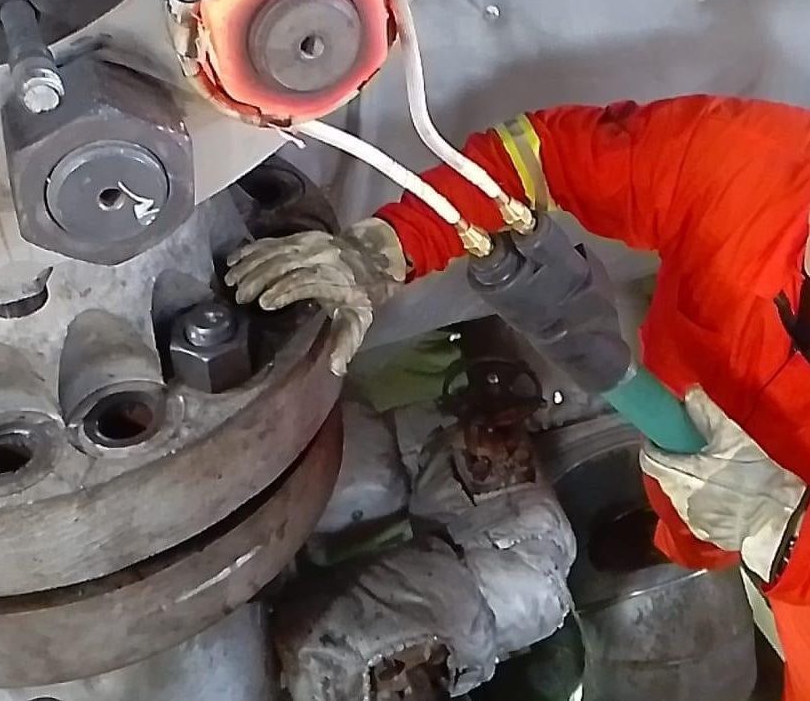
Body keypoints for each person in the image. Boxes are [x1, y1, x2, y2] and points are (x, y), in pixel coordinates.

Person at [226, 95, 810, 699]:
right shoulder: (757, 165)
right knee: (687, 528)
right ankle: (683, 545)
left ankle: (703, 545)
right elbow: (542, 156)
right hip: (693, 466)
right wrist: (388, 248)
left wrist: (788, 534)